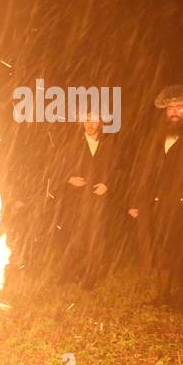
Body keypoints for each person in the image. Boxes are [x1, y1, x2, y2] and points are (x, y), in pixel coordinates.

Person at [128, 85, 183, 311]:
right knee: (163, 250)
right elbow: (142, 170)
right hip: (159, 204)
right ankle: (163, 295)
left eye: (179, 107)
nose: (174, 112)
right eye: (170, 108)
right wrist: (136, 201)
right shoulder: (155, 135)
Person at [51, 113, 120, 287]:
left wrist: (107, 184)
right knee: (75, 236)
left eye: (94, 120)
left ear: (101, 122)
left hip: (99, 199)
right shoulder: (71, 145)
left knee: (95, 238)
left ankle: (91, 276)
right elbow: (57, 168)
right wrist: (68, 179)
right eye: (86, 120)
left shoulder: (110, 144)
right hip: (76, 199)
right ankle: (68, 273)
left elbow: (119, 170)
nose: (90, 124)